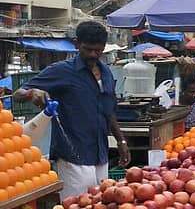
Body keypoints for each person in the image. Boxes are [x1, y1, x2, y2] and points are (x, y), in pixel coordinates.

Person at [14, 21, 130, 196]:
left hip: (101, 153)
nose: (92, 54)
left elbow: (109, 111)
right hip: (73, 155)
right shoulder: (62, 71)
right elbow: (18, 93)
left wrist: (121, 141)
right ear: (77, 44)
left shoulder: (106, 72)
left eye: (97, 50)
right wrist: (33, 92)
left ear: (104, 47)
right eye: (87, 49)